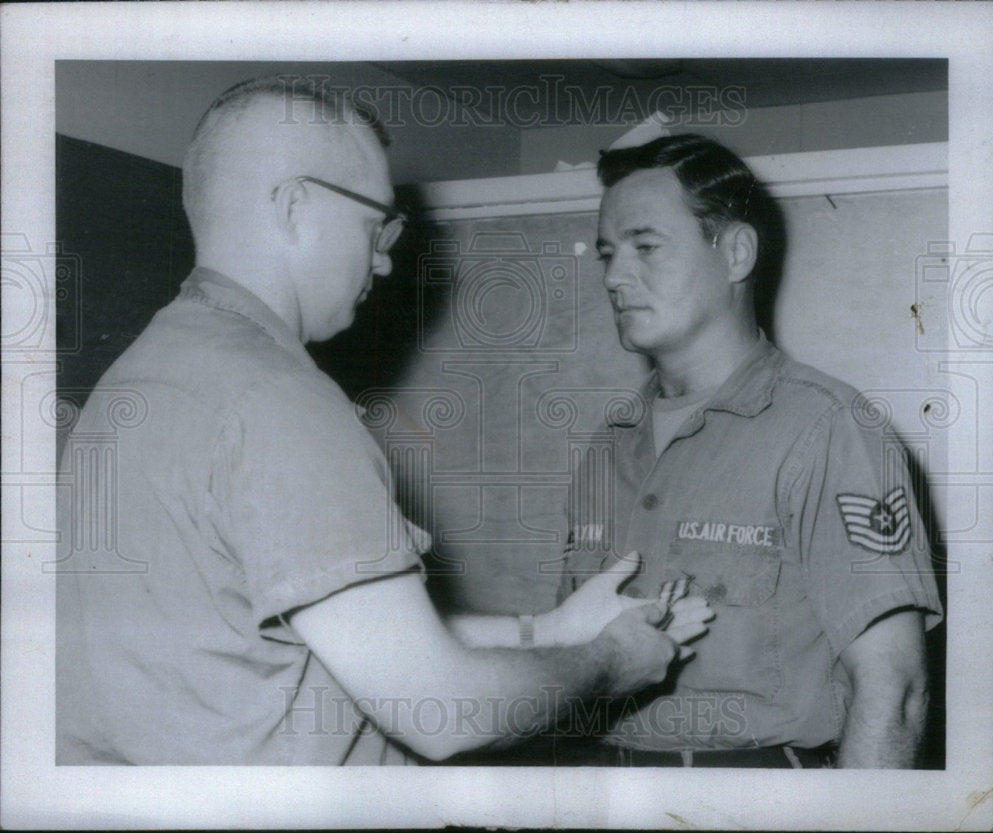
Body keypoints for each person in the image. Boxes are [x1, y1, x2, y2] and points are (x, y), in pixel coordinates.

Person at [54, 76, 712, 766]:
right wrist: (612, 659)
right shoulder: (279, 402)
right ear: (294, 208)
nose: (385, 256)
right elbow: (443, 710)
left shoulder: (138, 376)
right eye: (377, 223)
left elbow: (333, 632)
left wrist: (546, 628)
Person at [554, 133, 943, 768]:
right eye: (606, 254)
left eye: (645, 247)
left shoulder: (827, 427)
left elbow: (894, 690)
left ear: (735, 252)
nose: (615, 277)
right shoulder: (610, 444)